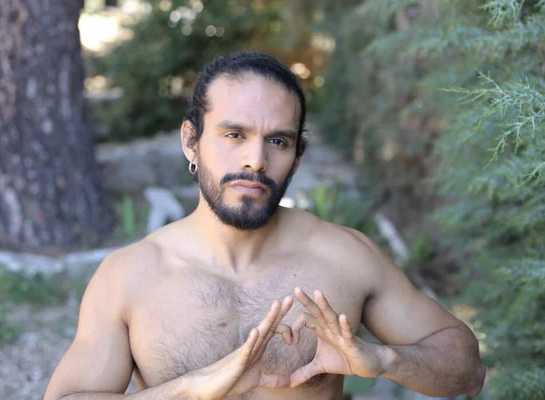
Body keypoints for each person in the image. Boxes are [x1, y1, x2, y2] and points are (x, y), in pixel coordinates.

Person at [44, 52, 485, 400]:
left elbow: (469, 368)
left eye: (278, 140)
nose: (256, 160)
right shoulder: (128, 276)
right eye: (234, 135)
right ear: (190, 141)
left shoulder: (344, 257)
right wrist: (186, 389)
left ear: (296, 156)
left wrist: (383, 359)